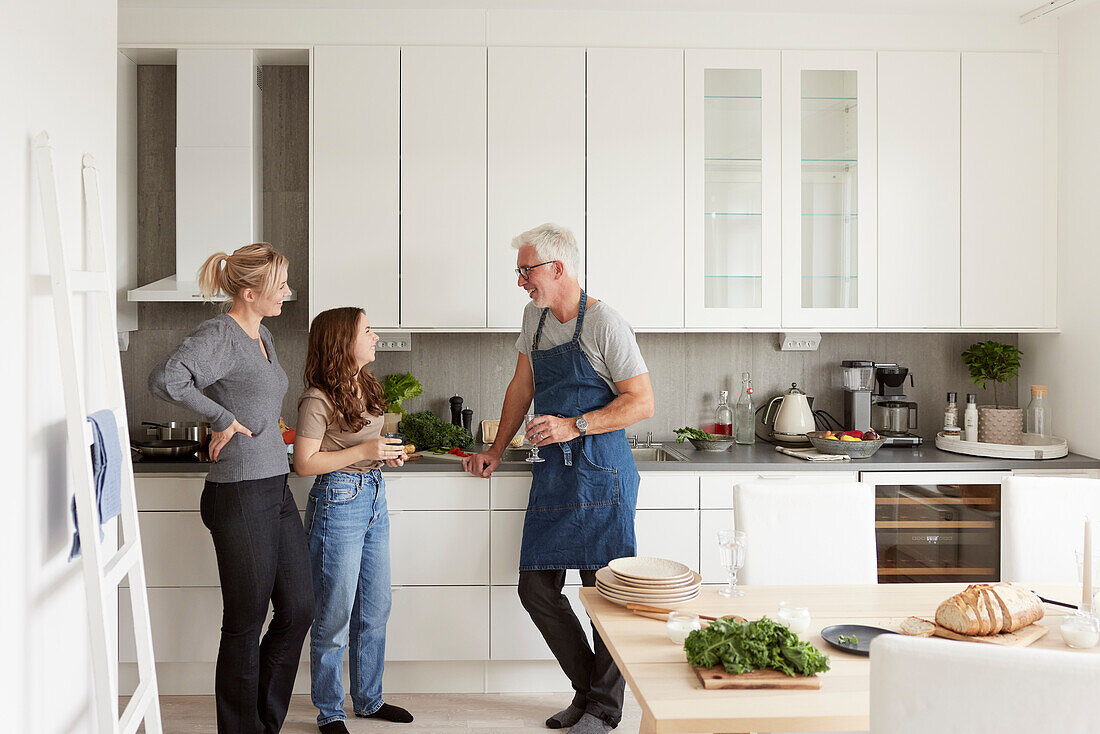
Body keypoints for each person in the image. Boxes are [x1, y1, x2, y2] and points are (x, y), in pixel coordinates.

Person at [464, 223, 654, 734]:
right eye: (520, 271)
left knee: (603, 596)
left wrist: (574, 425)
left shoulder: (607, 324)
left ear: (558, 268)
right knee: (536, 589)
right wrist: (496, 449)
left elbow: (642, 401)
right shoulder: (535, 316)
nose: (520, 280)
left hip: (601, 472)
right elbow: (522, 384)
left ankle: (603, 710)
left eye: (526, 270)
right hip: (553, 472)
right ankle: (591, 692)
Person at [148, 243, 313, 734]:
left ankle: (262, 720)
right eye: (280, 285)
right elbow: (166, 379)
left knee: (300, 604)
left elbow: (255, 397)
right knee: (245, 620)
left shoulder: (263, 333)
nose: (289, 292)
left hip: (274, 487)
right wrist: (222, 417)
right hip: (240, 491)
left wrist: (256, 420)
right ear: (249, 292)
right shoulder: (220, 332)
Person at [293, 307, 414, 734]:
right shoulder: (317, 398)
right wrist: (365, 453)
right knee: (334, 614)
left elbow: (364, 446)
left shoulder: (364, 383)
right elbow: (304, 464)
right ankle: (330, 710)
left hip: (373, 494)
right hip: (338, 500)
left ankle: (369, 699)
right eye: (368, 330)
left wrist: (383, 455)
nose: (376, 336)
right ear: (343, 341)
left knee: (375, 607)